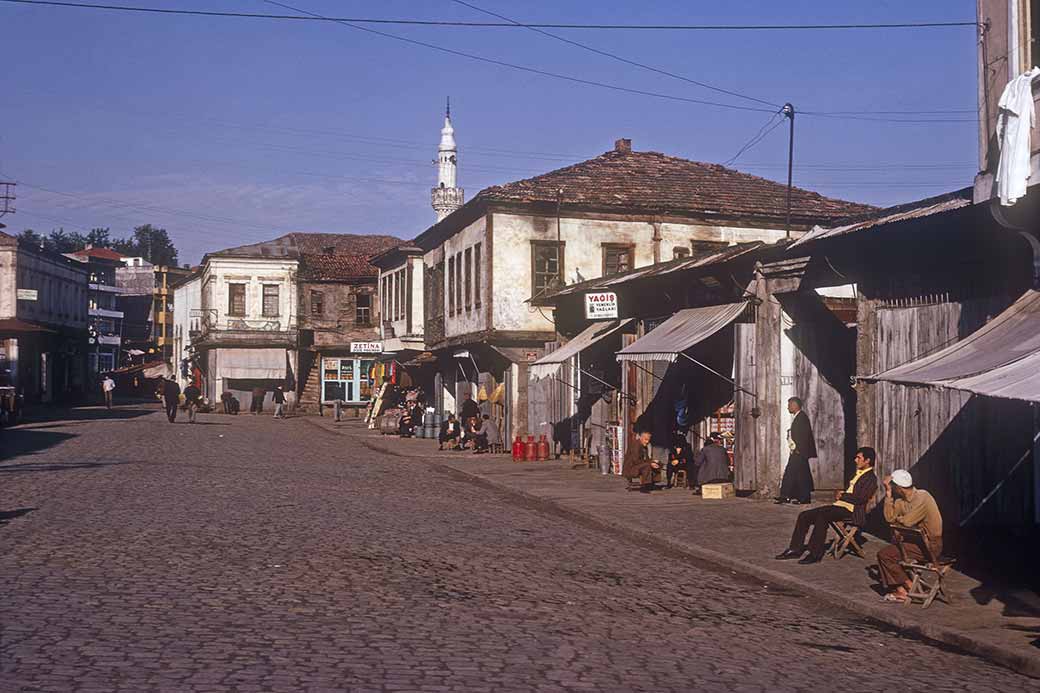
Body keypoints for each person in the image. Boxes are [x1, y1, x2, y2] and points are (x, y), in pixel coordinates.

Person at [776, 447, 879, 564]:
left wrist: (843, 495)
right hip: (840, 506)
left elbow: (861, 499)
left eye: (859, 458)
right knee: (804, 515)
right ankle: (794, 549)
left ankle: (815, 553)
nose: (856, 460)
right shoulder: (858, 474)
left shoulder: (870, 478)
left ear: (867, 461)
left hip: (852, 511)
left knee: (823, 516)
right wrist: (842, 495)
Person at [876, 469, 944, 604]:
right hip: (915, 543)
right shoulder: (901, 501)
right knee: (885, 553)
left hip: (930, 546)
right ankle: (904, 588)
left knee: (886, 555)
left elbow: (908, 522)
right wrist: (888, 495)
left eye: (893, 487)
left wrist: (899, 519)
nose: (893, 489)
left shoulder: (923, 496)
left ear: (899, 487)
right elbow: (889, 518)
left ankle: (908, 586)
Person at [776, 397, 817, 504]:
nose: (788, 407)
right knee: (798, 474)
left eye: (789, 405)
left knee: (793, 474)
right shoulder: (798, 417)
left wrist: (798, 449)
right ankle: (794, 496)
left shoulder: (802, 418)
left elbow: (804, 436)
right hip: (797, 451)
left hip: (799, 452)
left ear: (795, 405)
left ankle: (790, 496)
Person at [622, 428, 660, 494]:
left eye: (648, 440)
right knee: (647, 465)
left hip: (638, 466)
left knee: (658, 463)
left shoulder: (644, 446)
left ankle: (653, 482)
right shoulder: (636, 445)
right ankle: (645, 485)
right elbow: (636, 460)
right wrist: (650, 463)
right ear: (641, 438)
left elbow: (646, 459)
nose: (647, 442)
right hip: (631, 468)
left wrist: (653, 461)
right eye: (646, 439)